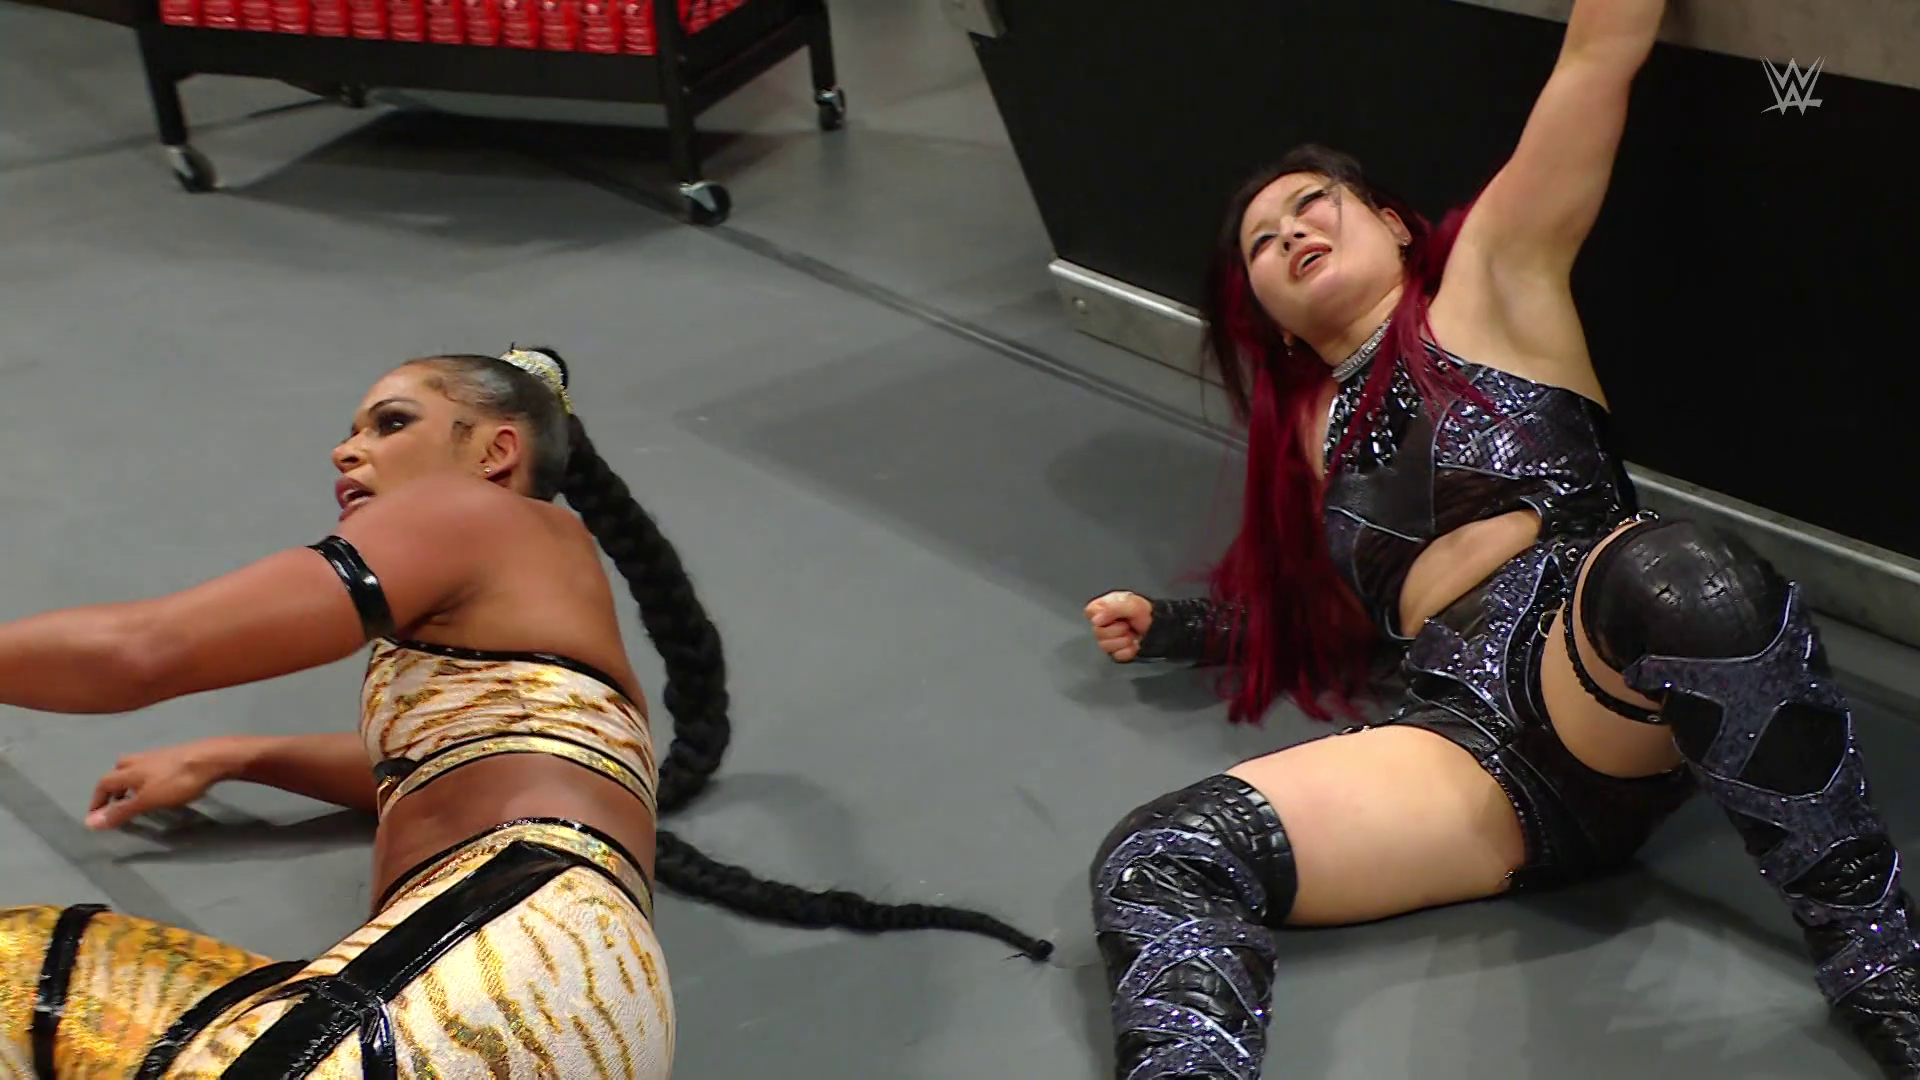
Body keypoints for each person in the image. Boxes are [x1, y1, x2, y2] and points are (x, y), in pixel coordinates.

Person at [1081, 2, 1920, 1077]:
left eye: (1311, 202)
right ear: (1266, 313)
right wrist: (1183, 627)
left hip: (1601, 666)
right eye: (1261, 240)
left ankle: (1882, 967)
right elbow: (1341, 616)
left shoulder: (1496, 276)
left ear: (1393, 224)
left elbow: (1599, 53)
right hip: (1464, 747)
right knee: (1158, 856)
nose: (1288, 232)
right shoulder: (1307, 433)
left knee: (1686, 577)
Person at [0, 346, 1050, 1078]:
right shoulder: (545, 610)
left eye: (391, 422)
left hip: (492, 977)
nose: (346, 451)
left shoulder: (467, 514)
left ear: (495, 452)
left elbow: (144, 651)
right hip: (569, 996)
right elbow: (441, 767)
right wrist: (243, 754)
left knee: (20, 979)